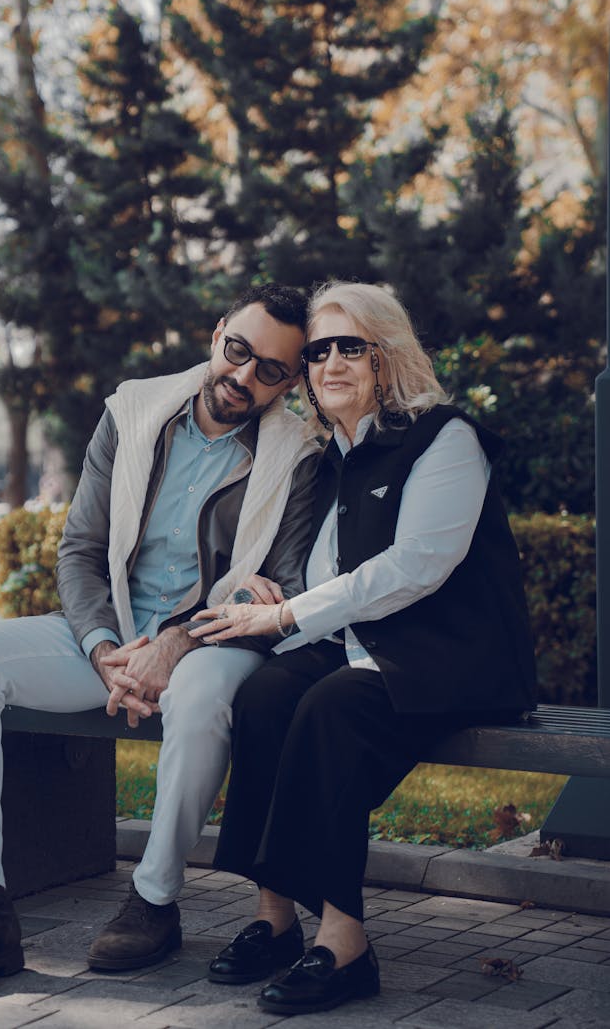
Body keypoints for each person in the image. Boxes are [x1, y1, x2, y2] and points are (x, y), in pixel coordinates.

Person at [0, 285, 320, 998]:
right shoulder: (133, 410)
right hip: (109, 637)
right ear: (218, 332)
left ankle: (155, 899)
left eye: (271, 370)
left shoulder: (300, 452)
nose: (244, 376)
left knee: (197, 693)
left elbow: (280, 586)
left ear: (289, 381)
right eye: (239, 351)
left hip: (213, 646)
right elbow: (80, 548)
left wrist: (175, 643)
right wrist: (106, 649)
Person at [191, 280, 537, 1016]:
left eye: (353, 347)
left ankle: (345, 942)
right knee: (264, 696)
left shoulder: (445, 437)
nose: (333, 363)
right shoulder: (330, 459)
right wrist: (269, 593)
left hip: (448, 654)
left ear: (386, 356)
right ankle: (274, 915)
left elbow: (414, 567)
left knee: (329, 710)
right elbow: (321, 576)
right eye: (319, 352)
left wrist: (286, 622)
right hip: (362, 644)